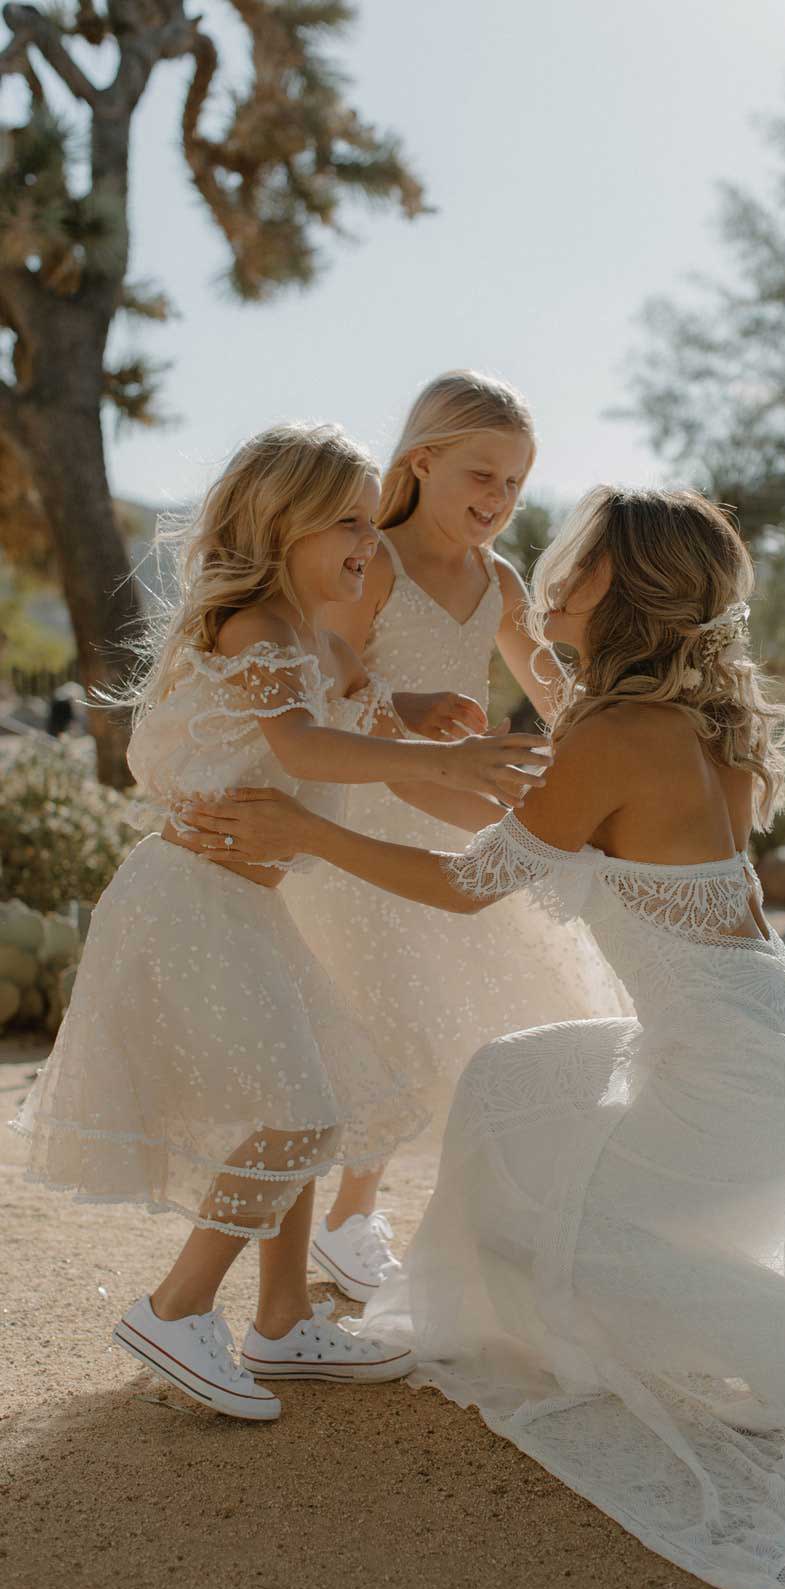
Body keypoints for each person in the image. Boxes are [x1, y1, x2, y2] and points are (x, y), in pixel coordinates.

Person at [181, 484, 785, 1589]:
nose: (552, 563)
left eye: (579, 554)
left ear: (614, 583)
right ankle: (757, 1317)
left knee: (552, 1254)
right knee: (509, 1081)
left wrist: (301, 827)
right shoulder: (694, 727)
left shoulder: (609, 730)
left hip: (733, 1064)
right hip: (770, 1037)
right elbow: (541, 843)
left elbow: (470, 887)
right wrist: (412, 746)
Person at [12, 422, 545, 1423]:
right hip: (192, 898)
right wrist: (439, 766)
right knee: (299, 1109)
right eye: (346, 521)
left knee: (324, 1093)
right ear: (278, 525)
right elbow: (300, 745)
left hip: (247, 900)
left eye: (365, 519)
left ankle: (284, 1316)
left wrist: (414, 706)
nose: (367, 539)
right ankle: (174, 1309)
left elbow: (346, 696)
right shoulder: (252, 624)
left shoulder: (311, 635)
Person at [283, 371, 627, 1303]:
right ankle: (344, 1220)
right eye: (481, 475)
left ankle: (362, 1218)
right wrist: (419, 723)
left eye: (514, 485)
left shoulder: (501, 580)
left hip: (465, 815)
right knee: (384, 1020)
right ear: (421, 463)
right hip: (379, 813)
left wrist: (614, 732)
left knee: (454, 1027)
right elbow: (335, 681)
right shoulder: (374, 564)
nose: (497, 499)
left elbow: (551, 687)